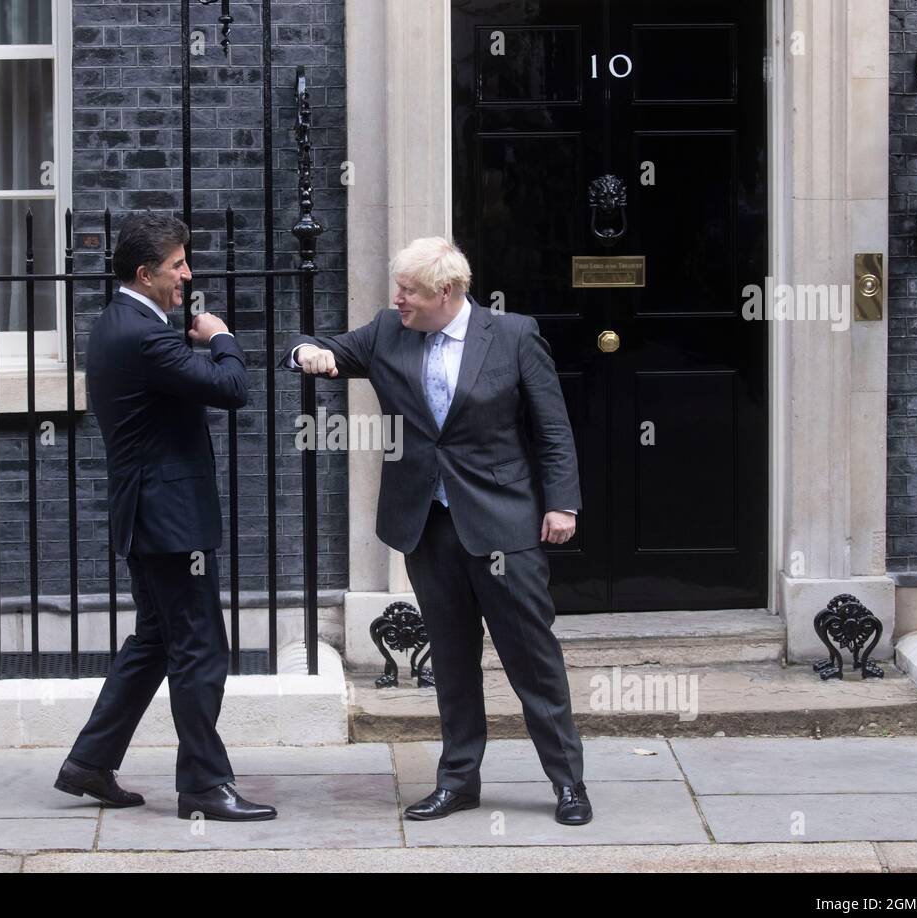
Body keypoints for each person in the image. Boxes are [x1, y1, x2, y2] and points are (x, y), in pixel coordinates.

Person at [283, 237, 591, 825]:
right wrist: (307, 355)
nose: (397, 298)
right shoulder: (387, 331)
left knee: (532, 659)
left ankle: (567, 783)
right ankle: (458, 781)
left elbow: (553, 428)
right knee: (449, 659)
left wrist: (563, 506)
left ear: (444, 292)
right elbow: (316, 347)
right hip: (430, 525)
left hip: (504, 524)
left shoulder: (514, 336)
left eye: (408, 290)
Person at [55, 212, 276, 822]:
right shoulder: (145, 336)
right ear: (145, 272)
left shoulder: (118, 325)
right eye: (178, 265)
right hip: (171, 521)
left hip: (146, 515)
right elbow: (230, 390)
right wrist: (221, 337)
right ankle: (205, 787)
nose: (188, 274)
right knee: (201, 649)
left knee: (155, 639)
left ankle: (90, 761)